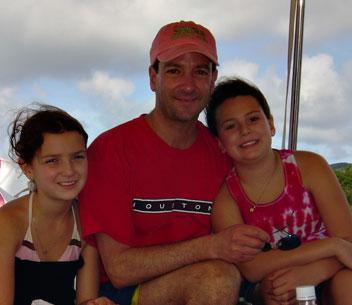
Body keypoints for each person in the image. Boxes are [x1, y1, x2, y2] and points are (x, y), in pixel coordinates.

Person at [79, 21, 269, 305]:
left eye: (200, 72)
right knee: (216, 278)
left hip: (207, 284)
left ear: (213, 79)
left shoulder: (223, 151)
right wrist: (212, 246)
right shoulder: (111, 149)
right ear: (153, 77)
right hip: (126, 295)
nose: (189, 85)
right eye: (174, 70)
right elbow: (119, 269)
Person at [206, 77, 352, 305]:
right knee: (275, 292)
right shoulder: (226, 201)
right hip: (274, 285)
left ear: (271, 124)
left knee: (348, 284)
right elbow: (252, 268)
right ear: (220, 144)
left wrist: (314, 272)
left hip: (330, 271)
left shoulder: (309, 167)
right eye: (230, 126)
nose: (245, 130)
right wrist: (331, 245)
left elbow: (348, 242)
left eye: (253, 119)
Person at [0, 104, 115, 305]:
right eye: (52, 161)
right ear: (27, 168)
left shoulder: (86, 221)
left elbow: (86, 298)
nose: (69, 171)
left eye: (78, 157)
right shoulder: (9, 221)